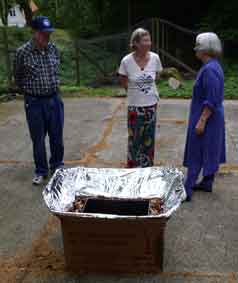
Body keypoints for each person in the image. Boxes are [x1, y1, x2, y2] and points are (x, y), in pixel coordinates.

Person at [14, 16, 64, 185]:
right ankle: (41, 170)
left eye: (48, 33)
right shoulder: (22, 52)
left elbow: (57, 70)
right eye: (43, 34)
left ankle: (57, 165)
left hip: (54, 99)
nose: (47, 37)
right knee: (38, 138)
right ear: (34, 33)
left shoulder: (53, 49)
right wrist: (30, 93)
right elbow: (18, 76)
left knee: (57, 136)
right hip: (34, 102)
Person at [183, 32, 226, 201]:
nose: (195, 49)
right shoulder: (212, 66)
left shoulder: (210, 69)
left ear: (204, 49)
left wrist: (202, 121)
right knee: (210, 149)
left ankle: (187, 190)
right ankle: (207, 182)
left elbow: (212, 98)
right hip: (209, 116)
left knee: (197, 151)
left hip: (207, 117)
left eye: (198, 46)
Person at [118, 28, 163, 168]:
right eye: (145, 40)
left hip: (151, 105)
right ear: (136, 43)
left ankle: (147, 168)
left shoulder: (155, 58)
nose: (149, 43)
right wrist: (135, 93)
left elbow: (158, 77)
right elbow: (123, 80)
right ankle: (133, 169)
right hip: (134, 106)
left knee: (149, 139)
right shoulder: (126, 61)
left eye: (149, 40)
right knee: (134, 139)